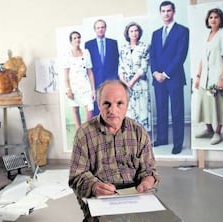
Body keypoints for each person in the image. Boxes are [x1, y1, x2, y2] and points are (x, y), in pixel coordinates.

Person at [68, 80, 160, 222]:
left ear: (127, 105)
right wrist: (94, 186)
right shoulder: (84, 134)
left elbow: (149, 170)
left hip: (134, 199)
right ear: (99, 104)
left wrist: (147, 181)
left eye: (119, 103)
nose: (113, 110)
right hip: (100, 199)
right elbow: (77, 177)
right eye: (107, 104)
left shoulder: (139, 132)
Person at [150, 1, 189, 154]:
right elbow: (152, 55)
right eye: (163, 11)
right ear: (160, 13)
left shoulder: (183, 31)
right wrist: (155, 73)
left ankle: (178, 143)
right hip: (157, 78)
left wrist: (166, 74)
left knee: (177, 110)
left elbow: (181, 55)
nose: (166, 13)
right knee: (161, 109)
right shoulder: (156, 33)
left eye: (169, 10)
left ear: (174, 12)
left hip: (174, 77)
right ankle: (162, 138)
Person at [193, 8, 223, 145]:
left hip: (218, 76)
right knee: (205, 104)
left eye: (216, 17)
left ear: (221, 19)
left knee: (220, 105)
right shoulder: (207, 36)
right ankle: (209, 129)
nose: (213, 20)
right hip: (205, 77)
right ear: (208, 20)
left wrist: (222, 78)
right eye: (211, 17)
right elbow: (202, 59)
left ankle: (217, 132)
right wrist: (198, 76)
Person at [118, 21, 151, 132]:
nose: (134, 33)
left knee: (142, 111)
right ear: (127, 33)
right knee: (129, 111)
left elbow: (144, 68)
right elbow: (121, 66)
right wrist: (124, 83)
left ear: (139, 32)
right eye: (131, 31)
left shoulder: (145, 47)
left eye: (136, 30)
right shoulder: (123, 48)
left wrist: (131, 82)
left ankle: (143, 139)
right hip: (126, 85)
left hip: (140, 84)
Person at [85, 19, 119, 116]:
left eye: (102, 27)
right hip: (96, 79)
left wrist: (115, 80)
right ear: (95, 30)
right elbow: (88, 65)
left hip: (110, 79)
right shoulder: (88, 45)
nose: (100, 29)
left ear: (105, 29)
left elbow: (116, 62)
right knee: (97, 105)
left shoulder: (113, 43)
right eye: (98, 28)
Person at [64, 31, 96, 129]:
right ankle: (79, 133)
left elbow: (90, 72)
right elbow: (66, 74)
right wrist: (68, 89)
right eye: (74, 38)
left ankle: (86, 131)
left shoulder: (86, 52)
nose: (77, 39)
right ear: (71, 41)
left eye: (78, 37)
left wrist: (93, 90)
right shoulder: (67, 54)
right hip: (74, 86)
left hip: (86, 85)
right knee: (75, 109)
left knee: (90, 109)